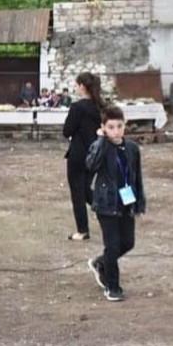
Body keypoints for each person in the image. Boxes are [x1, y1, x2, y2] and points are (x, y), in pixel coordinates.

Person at [86, 105, 146, 302]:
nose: (116, 131)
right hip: (106, 203)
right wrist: (101, 141)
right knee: (112, 246)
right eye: (111, 127)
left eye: (119, 126)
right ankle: (112, 287)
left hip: (126, 201)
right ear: (103, 128)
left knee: (128, 242)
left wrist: (139, 203)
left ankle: (100, 263)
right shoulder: (101, 147)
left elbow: (136, 177)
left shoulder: (132, 149)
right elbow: (91, 165)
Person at [62, 72, 106, 241]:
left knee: (77, 193)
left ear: (82, 86)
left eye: (76, 84)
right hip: (95, 153)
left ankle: (82, 230)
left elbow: (67, 131)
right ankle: (108, 211)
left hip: (78, 154)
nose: (75, 87)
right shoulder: (100, 106)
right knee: (86, 190)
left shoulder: (77, 107)